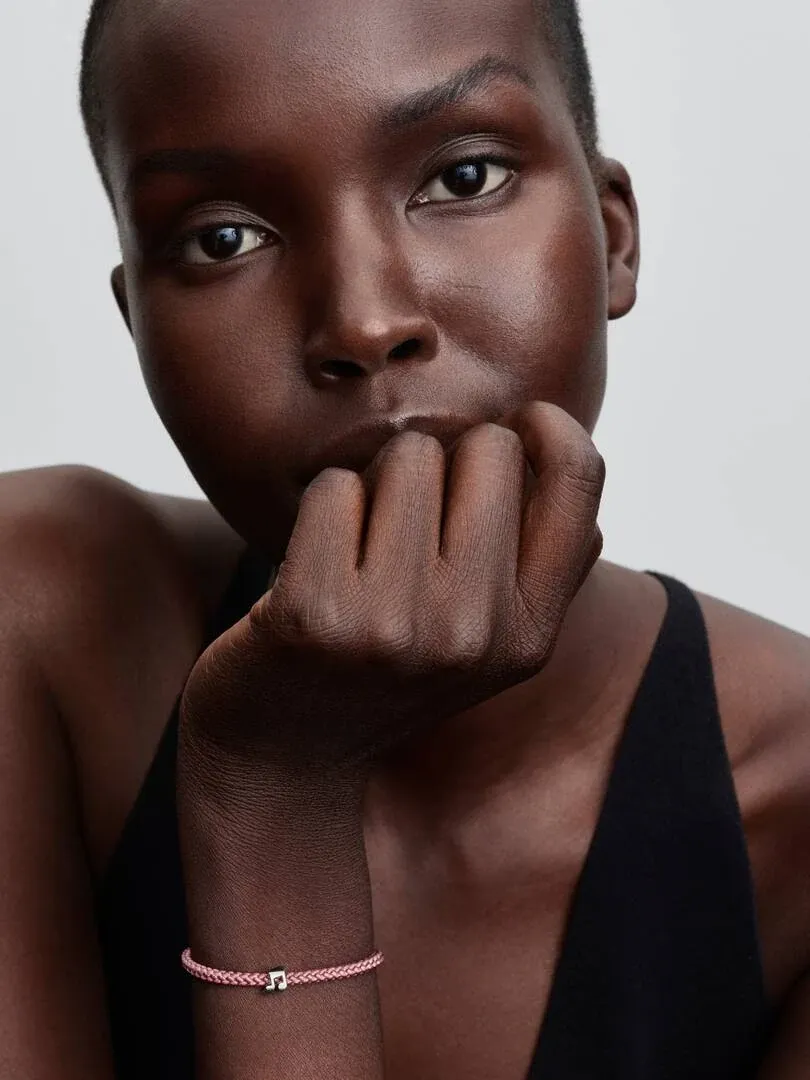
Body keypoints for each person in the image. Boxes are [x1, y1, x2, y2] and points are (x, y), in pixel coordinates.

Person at [0, 0, 808, 1076]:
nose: (364, 320)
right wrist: (274, 793)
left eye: (464, 177)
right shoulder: (38, 627)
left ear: (613, 234)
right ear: (136, 321)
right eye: (222, 237)